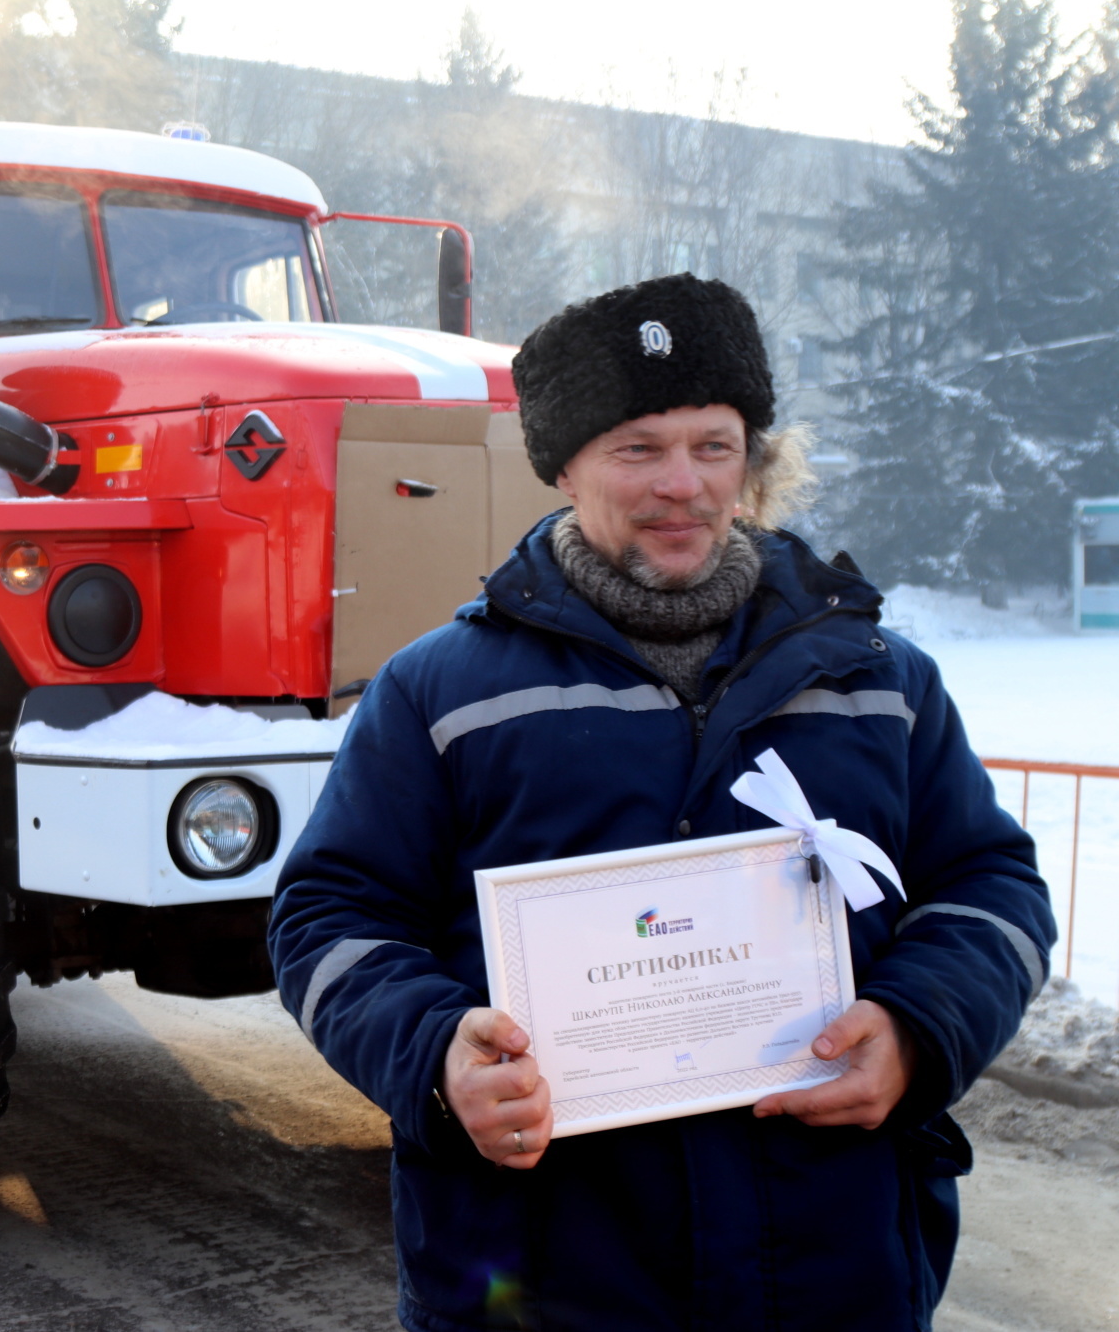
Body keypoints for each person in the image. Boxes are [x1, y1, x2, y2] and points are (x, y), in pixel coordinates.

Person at [269, 273, 1055, 1331]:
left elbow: (987, 882)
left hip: (833, 1267)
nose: (679, 483)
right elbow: (327, 915)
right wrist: (433, 1050)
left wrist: (918, 1028)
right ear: (562, 466)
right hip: (542, 1274)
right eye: (636, 447)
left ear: (751, 458)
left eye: (712, 443)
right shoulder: (440, 692)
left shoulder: (877, 681)